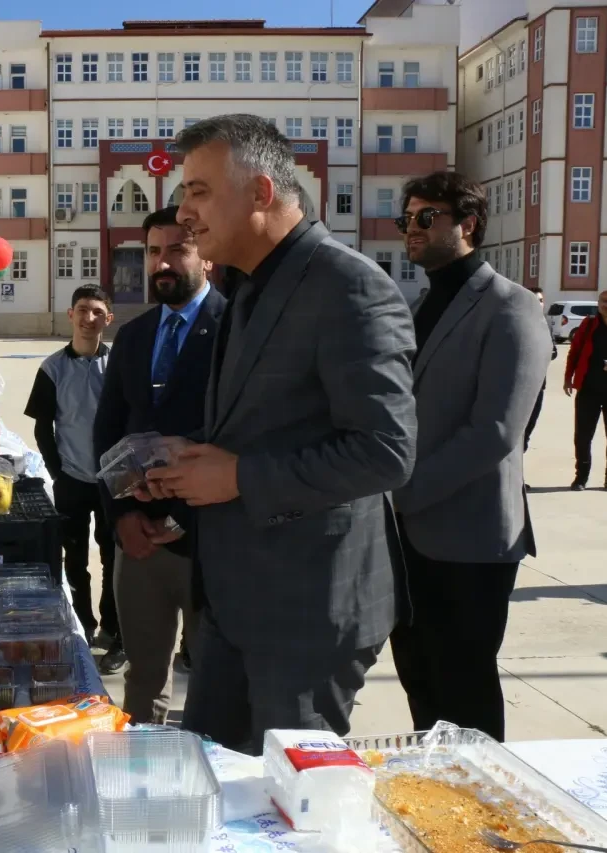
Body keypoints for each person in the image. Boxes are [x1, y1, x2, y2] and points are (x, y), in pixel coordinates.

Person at [145, 114, 417, 754]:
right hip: (233, 602)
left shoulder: (348, 287)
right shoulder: (247, 287)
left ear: (261, 193)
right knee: (211, 777)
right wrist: (190, 459)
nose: (184, 212)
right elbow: (263, 420)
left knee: (292, 808)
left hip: (305, 614)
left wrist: (235, 475)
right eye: (184, 192)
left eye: (200, 191)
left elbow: (386, 451)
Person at [388, 171, 552, 743]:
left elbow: (497, 431)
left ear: (468, 224)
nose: (412, 227)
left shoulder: (510, 307)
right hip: (406, 538)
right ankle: (436, 803)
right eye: (407, 217)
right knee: (419, 682)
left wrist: (401, 494)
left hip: (471, 538)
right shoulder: (419, 304)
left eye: (426, 216)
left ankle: (483, 819)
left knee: (465, 692)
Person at [92, 207, 228, 719]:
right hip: (139, 543)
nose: (162, 262)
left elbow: (235, 434)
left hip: (208, 540)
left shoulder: (234, 328)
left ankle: (207, 779)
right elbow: (107, 433)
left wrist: (180, 519)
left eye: (178, 249)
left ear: (206, 258)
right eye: (153, 251)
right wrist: (121, 516)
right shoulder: (133, 335)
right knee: (144, 677)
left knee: (217, 679)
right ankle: (142, 780)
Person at [24, 285, 117, 663]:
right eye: (82, 310)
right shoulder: (52, 369)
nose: (88, 318)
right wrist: (56, 470)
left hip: (114, 482)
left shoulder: (117, 367)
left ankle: (115, 631)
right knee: (74, 558)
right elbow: (42, 426)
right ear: (70, 315)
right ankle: (84, 621)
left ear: (107, 319)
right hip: (72, 481)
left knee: (115, 559)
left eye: (97, 312)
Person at [565, 289, 607, 493]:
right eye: (602, 301)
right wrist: (568, 378)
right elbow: (574, 352)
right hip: (588, 389)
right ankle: (581, 477)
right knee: (583, 436)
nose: (606, 305)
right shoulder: (588, 326)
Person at [523, 289, 558, 460]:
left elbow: (554, 352)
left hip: (538, 387)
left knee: (527, 432)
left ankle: (518, 478)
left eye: (541, 300)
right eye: (534, 299)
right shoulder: (514, 322)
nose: (539, 303)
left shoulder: (544, 324)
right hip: (517, 388)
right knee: (514, 435)